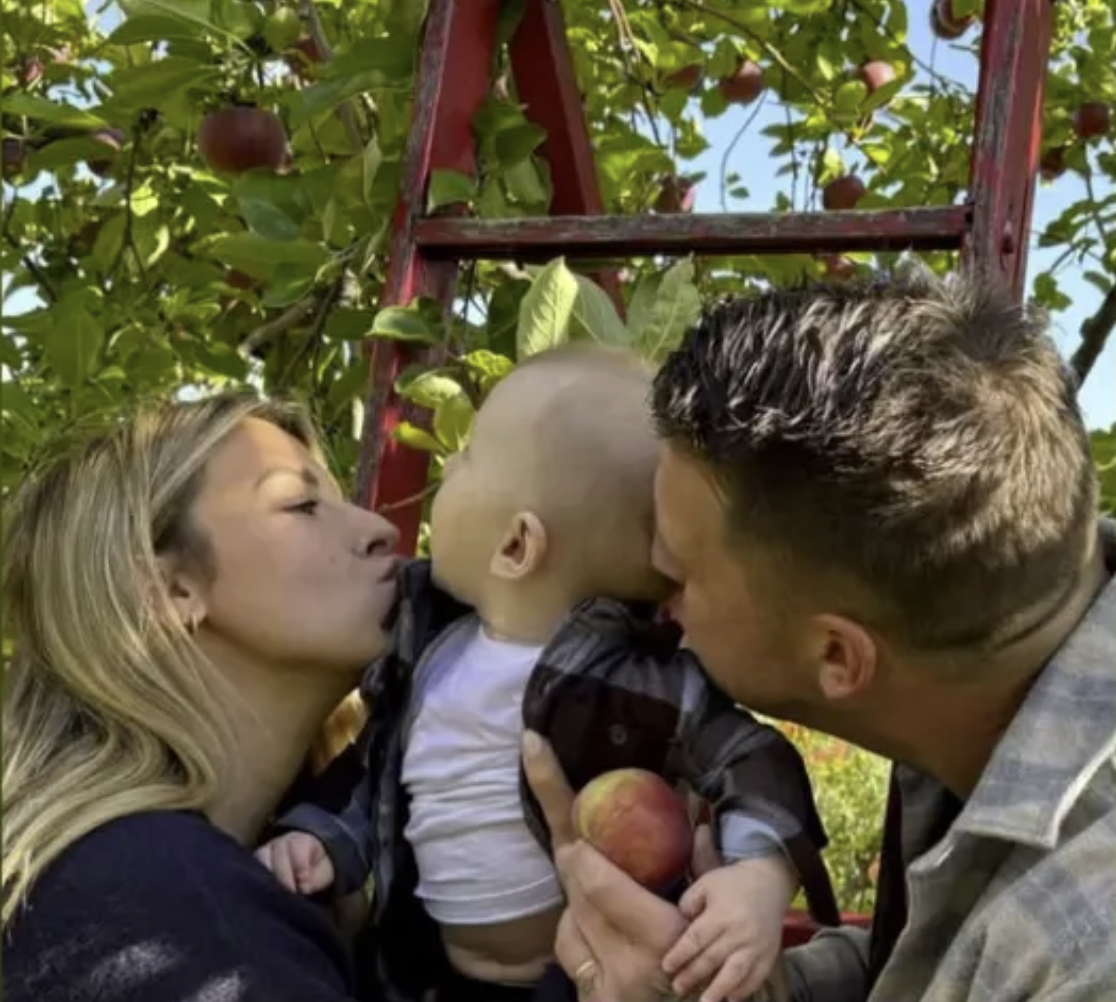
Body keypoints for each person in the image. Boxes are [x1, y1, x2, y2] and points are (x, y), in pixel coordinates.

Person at [521, 267, 1116, 1002]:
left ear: (837, 655)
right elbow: (933, 967)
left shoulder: (1086, 951)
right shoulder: (975, 681)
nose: (652, 591)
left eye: (679, 576)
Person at [257, 345, 841, 1002]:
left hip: (581, 976)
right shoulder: (429, 648)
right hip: (419, 972)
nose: (449, 464)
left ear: (515, 546)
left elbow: (753, 759)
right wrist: (322, 836)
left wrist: (757, 877)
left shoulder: (637, 681)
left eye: (469, 457)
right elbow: (381, 769)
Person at [1, 393, 404, 1002]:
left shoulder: (130, 881)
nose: (380, 528)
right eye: (302, 505)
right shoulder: (178, 916)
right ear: (170, 591)